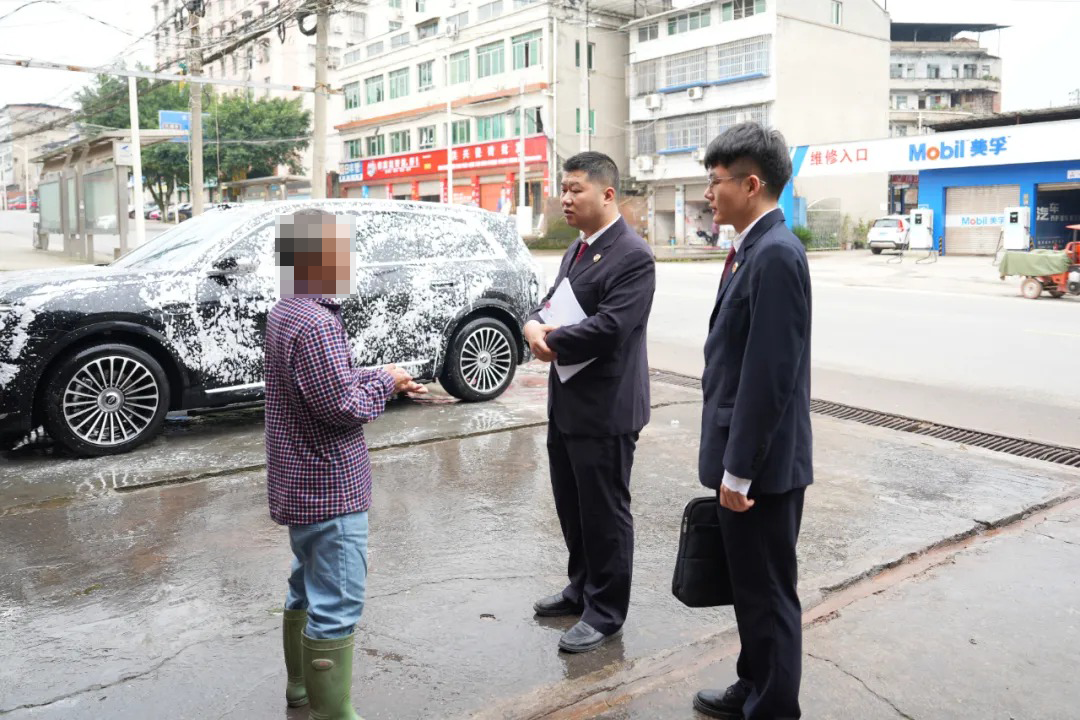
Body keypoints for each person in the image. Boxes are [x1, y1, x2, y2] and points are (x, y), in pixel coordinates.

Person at [264, 209, 425, 719]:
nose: (349, 262)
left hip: (301, 481)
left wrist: (383, 376)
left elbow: (328, 382)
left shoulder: (287, 310)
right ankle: (333, 713)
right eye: (342, 252)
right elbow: (341, 406)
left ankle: (300, 689)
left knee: (306, 587)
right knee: (336, 602)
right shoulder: (316, 322)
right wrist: (385, 384)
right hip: (329, 485)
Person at [693, 123, 813, 719]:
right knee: (749, 588)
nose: (708, 193)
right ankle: (755, 683)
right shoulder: (751, 248)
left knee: (768, 590)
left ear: (751, 184)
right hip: (743, 456)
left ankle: (773, 707)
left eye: (716, 181)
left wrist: (739, 470)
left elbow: (770, 376)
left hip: (762, 467)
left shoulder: (777, 255)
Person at [524, 152, 656, 653]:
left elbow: (611, 327)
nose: (566, 198)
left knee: (605, 513)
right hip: (567, 402)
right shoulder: (577, 249)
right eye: (564, 188)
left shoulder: (633, 255)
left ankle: (605, 612)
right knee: (572, 505)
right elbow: (551, 302)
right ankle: (580, 588)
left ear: (607, 194)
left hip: (606, 409)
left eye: (576, 189)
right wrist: (533, 324)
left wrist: (551, 341)